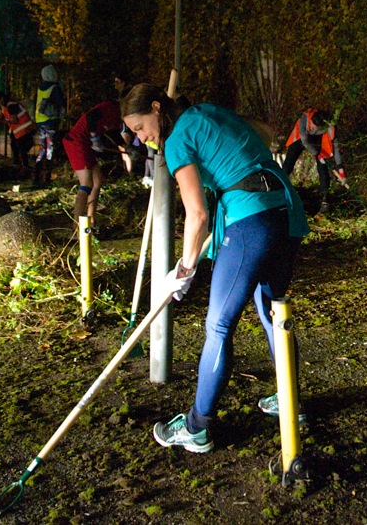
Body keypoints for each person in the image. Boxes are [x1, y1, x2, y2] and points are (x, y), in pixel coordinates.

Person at [120, 84, 308, 454]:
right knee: (273, 312)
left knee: (219, 326)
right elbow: (264, 131)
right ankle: (291, 403)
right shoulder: (206, 112)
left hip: (248, 220)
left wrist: (185, 269)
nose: (141, 138)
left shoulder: (176, 142)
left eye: (140, 127)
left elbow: (198, 213)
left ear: (157, 108)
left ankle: (197, 427)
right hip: (282, 208)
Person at [61, 99, 130, 232]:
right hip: (77, 142)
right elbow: (91, 117)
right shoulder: (111, 107)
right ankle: (76, 227)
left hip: (86, 144)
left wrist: (128, 148)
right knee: (86, 184)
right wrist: (94, 137)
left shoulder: (118, 119)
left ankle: (90, 221)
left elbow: (115, 135)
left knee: (97, 181)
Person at [281, 108, 347, 212]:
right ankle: (278, 189)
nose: (312, 128)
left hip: (318, 140)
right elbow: (305, 141)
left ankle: (325, 200)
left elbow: (336, 149)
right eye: (311, 125)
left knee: (323, 167)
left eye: (315, 128)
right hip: (300, 138)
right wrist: (317, 154)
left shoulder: (329, 127)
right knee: (289, 163)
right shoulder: (305, 118)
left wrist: (340, 169)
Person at [32, 64, 65, 186]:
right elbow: (61, 102)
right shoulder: (54, 87)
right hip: (51, 121)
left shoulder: (40, 87)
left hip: (40, 121)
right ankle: (46, 177)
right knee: (51, 148)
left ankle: (36, 175)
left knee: (43, 148)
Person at [0, 91, 35, 172]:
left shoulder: (12, 106)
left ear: (1, 99)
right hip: (18, 130)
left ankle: (24, 166)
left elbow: (15, 121)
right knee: (14, 145)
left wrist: (2, 121)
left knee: (22, 148)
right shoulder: (4, 106)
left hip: (25, 128)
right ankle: (18, 164)